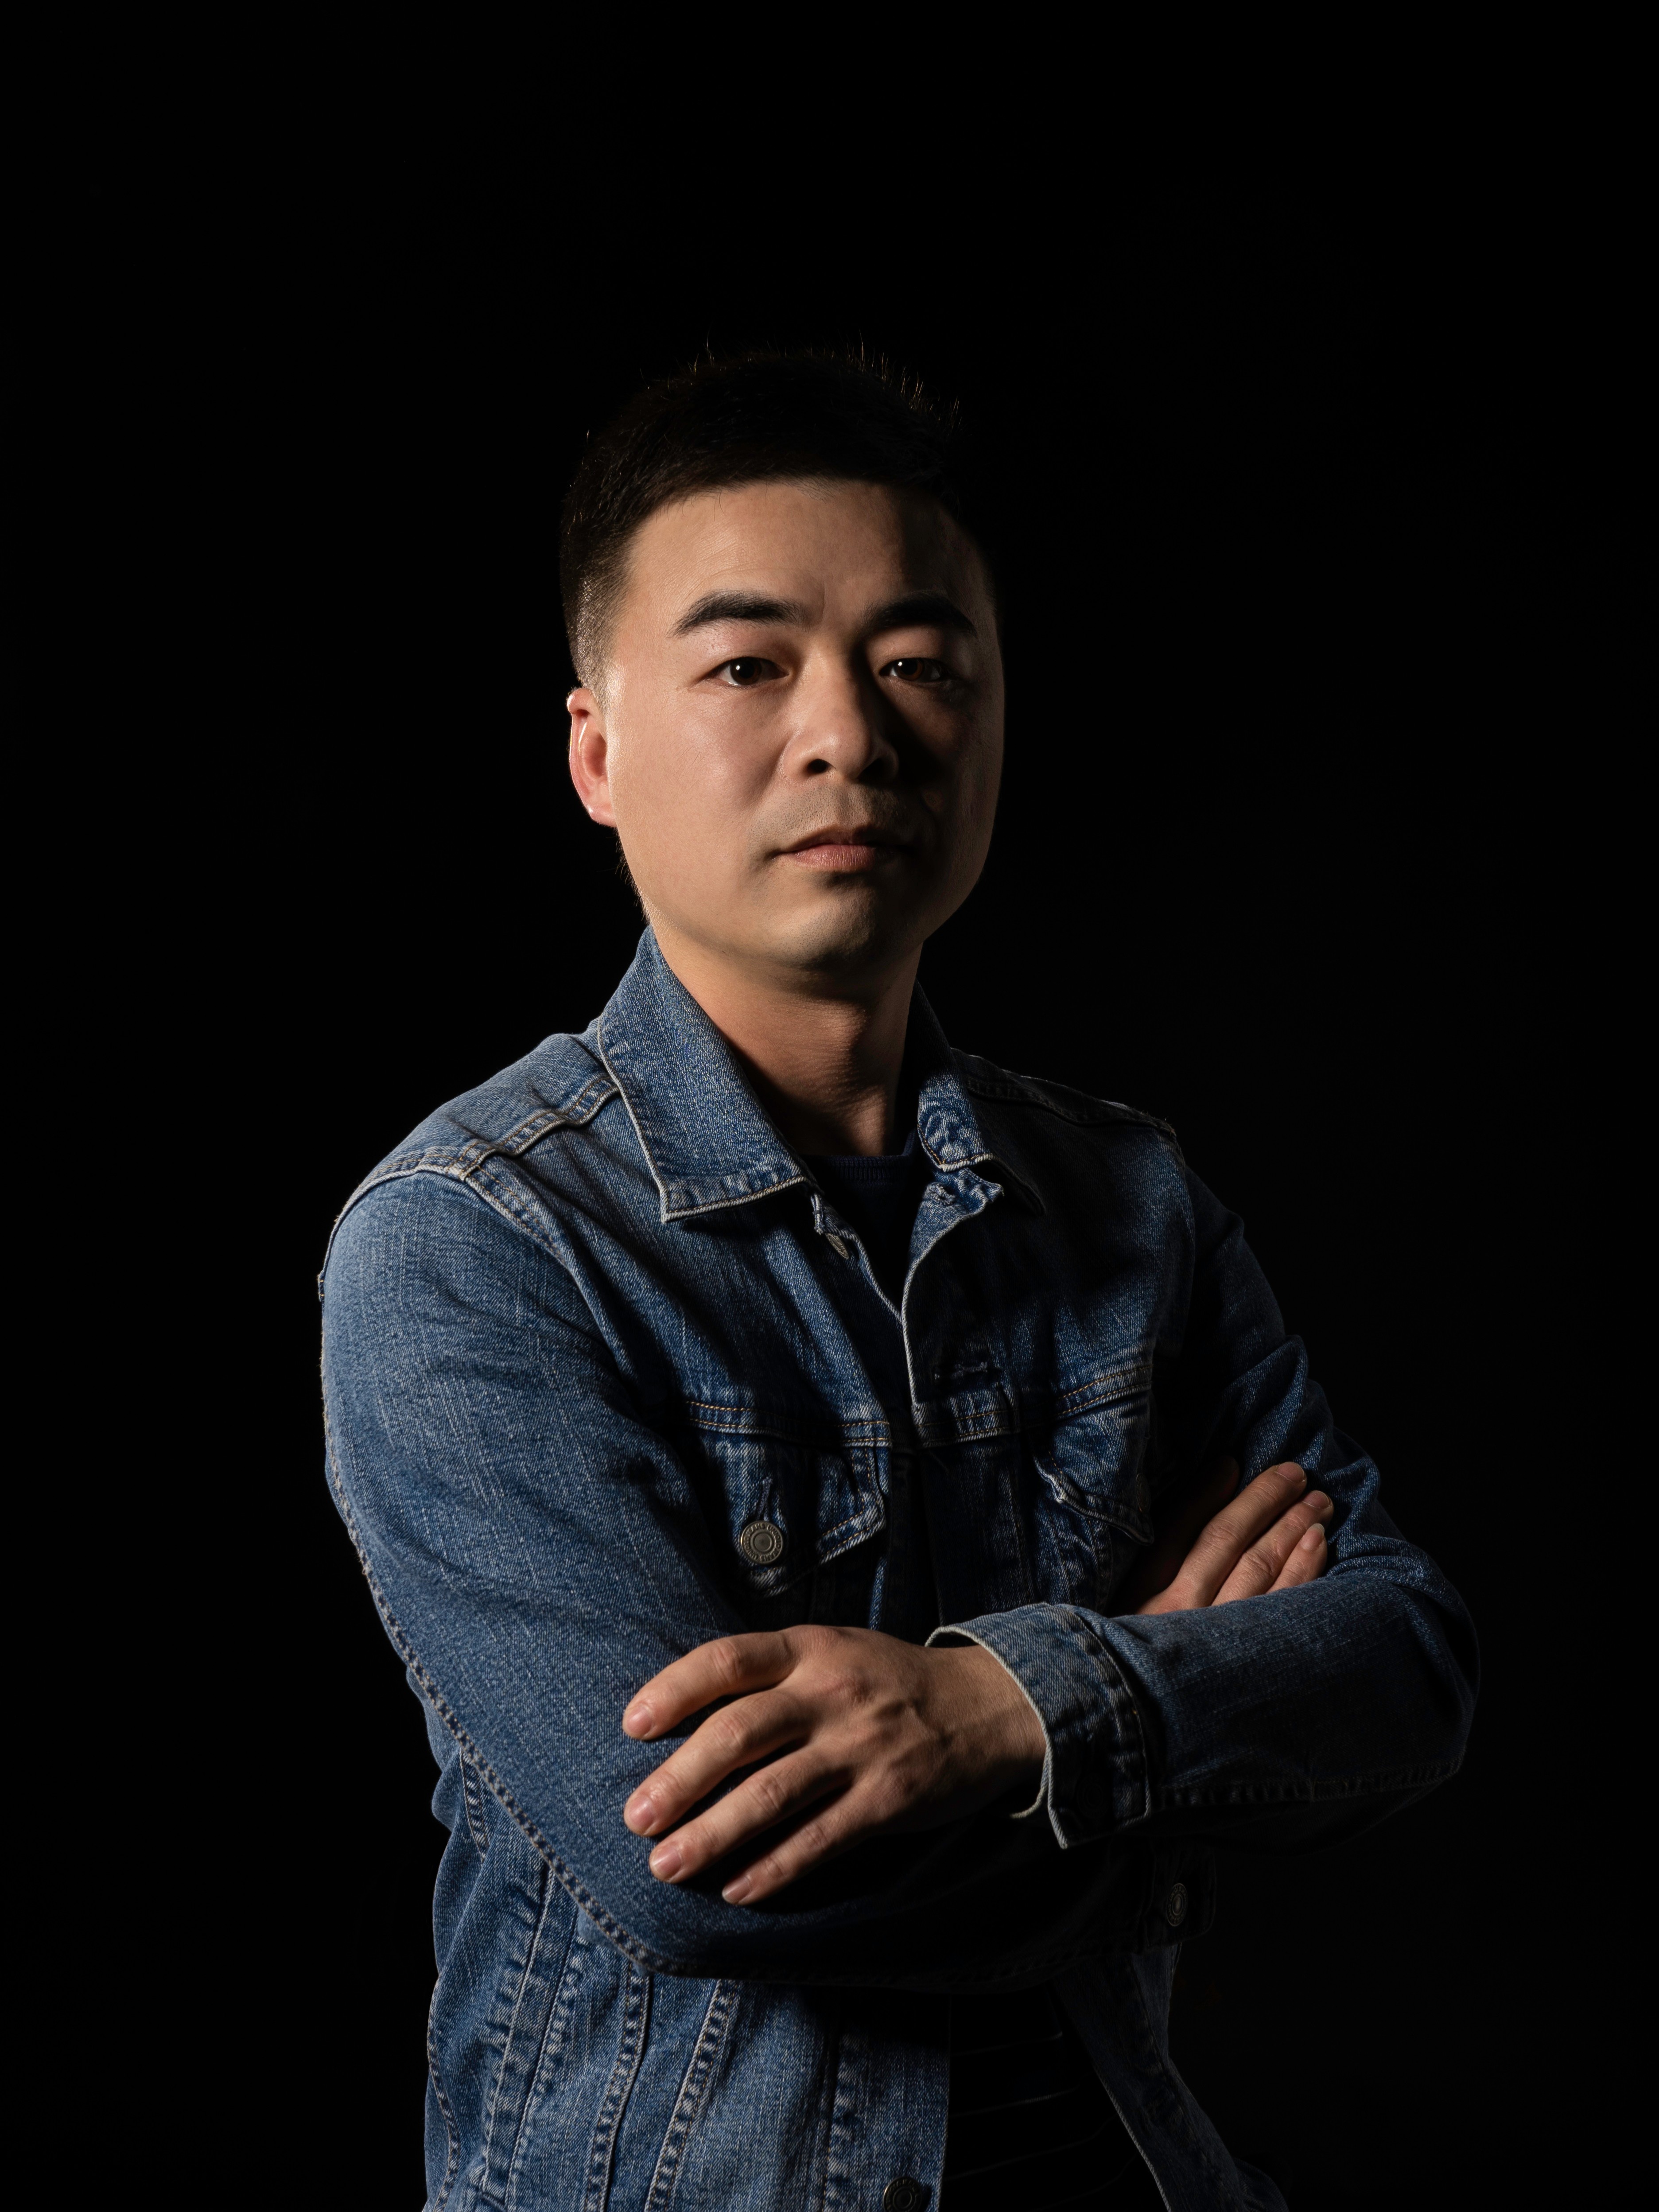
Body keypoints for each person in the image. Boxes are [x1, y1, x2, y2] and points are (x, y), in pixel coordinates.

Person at [320, 353, 1477, 2211]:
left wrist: (993, 1715)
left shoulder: (1130, 1198)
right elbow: (709, 1875)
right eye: (747, 665)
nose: (846, 735)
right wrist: (1167, 1738)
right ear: (597, 752)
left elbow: (1410, 1665)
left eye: (919, 662)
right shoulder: (471, 1242)